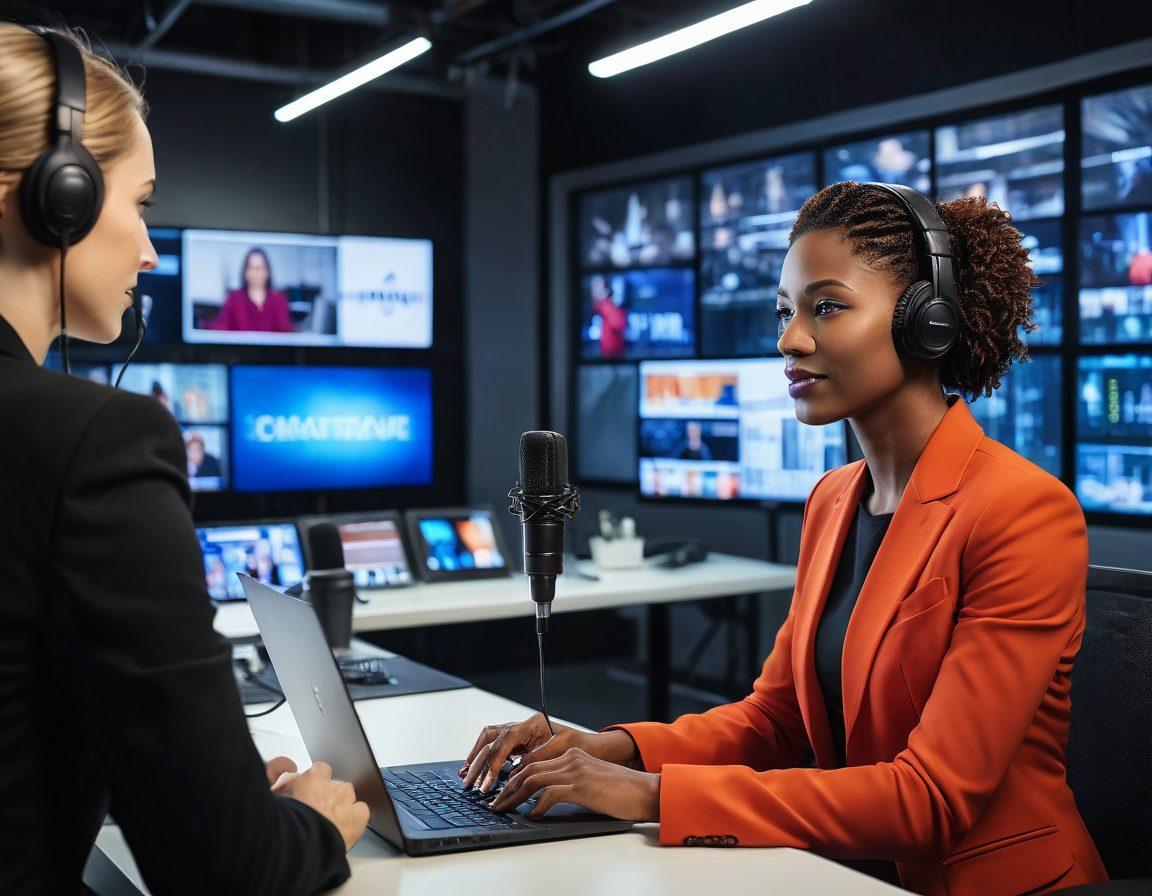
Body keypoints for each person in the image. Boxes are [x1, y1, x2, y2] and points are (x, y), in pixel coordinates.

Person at [462, 182, 1109, 896]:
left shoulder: (1021, 511)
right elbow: (776, 721)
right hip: (846, 871)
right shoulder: (834, 501)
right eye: (784, 311)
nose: (788, 339)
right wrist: (608, 748)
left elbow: (931, 800)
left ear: (927, 323)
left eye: (826, 306)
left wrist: (648, 795)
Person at [0, 22, 367, 894]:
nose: (152, 249)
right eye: (143, 204)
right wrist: (307, 822)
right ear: (59, 197)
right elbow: (225, 872)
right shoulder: (91, 443)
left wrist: (168, 782)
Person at [208, 246, 295, 332]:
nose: (255, 273)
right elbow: (221, 329)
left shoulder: (278, 299)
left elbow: (286, 333)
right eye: (251, 268)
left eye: (259, 268)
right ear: (245, 272)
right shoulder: (234, 298)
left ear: (268, 272)